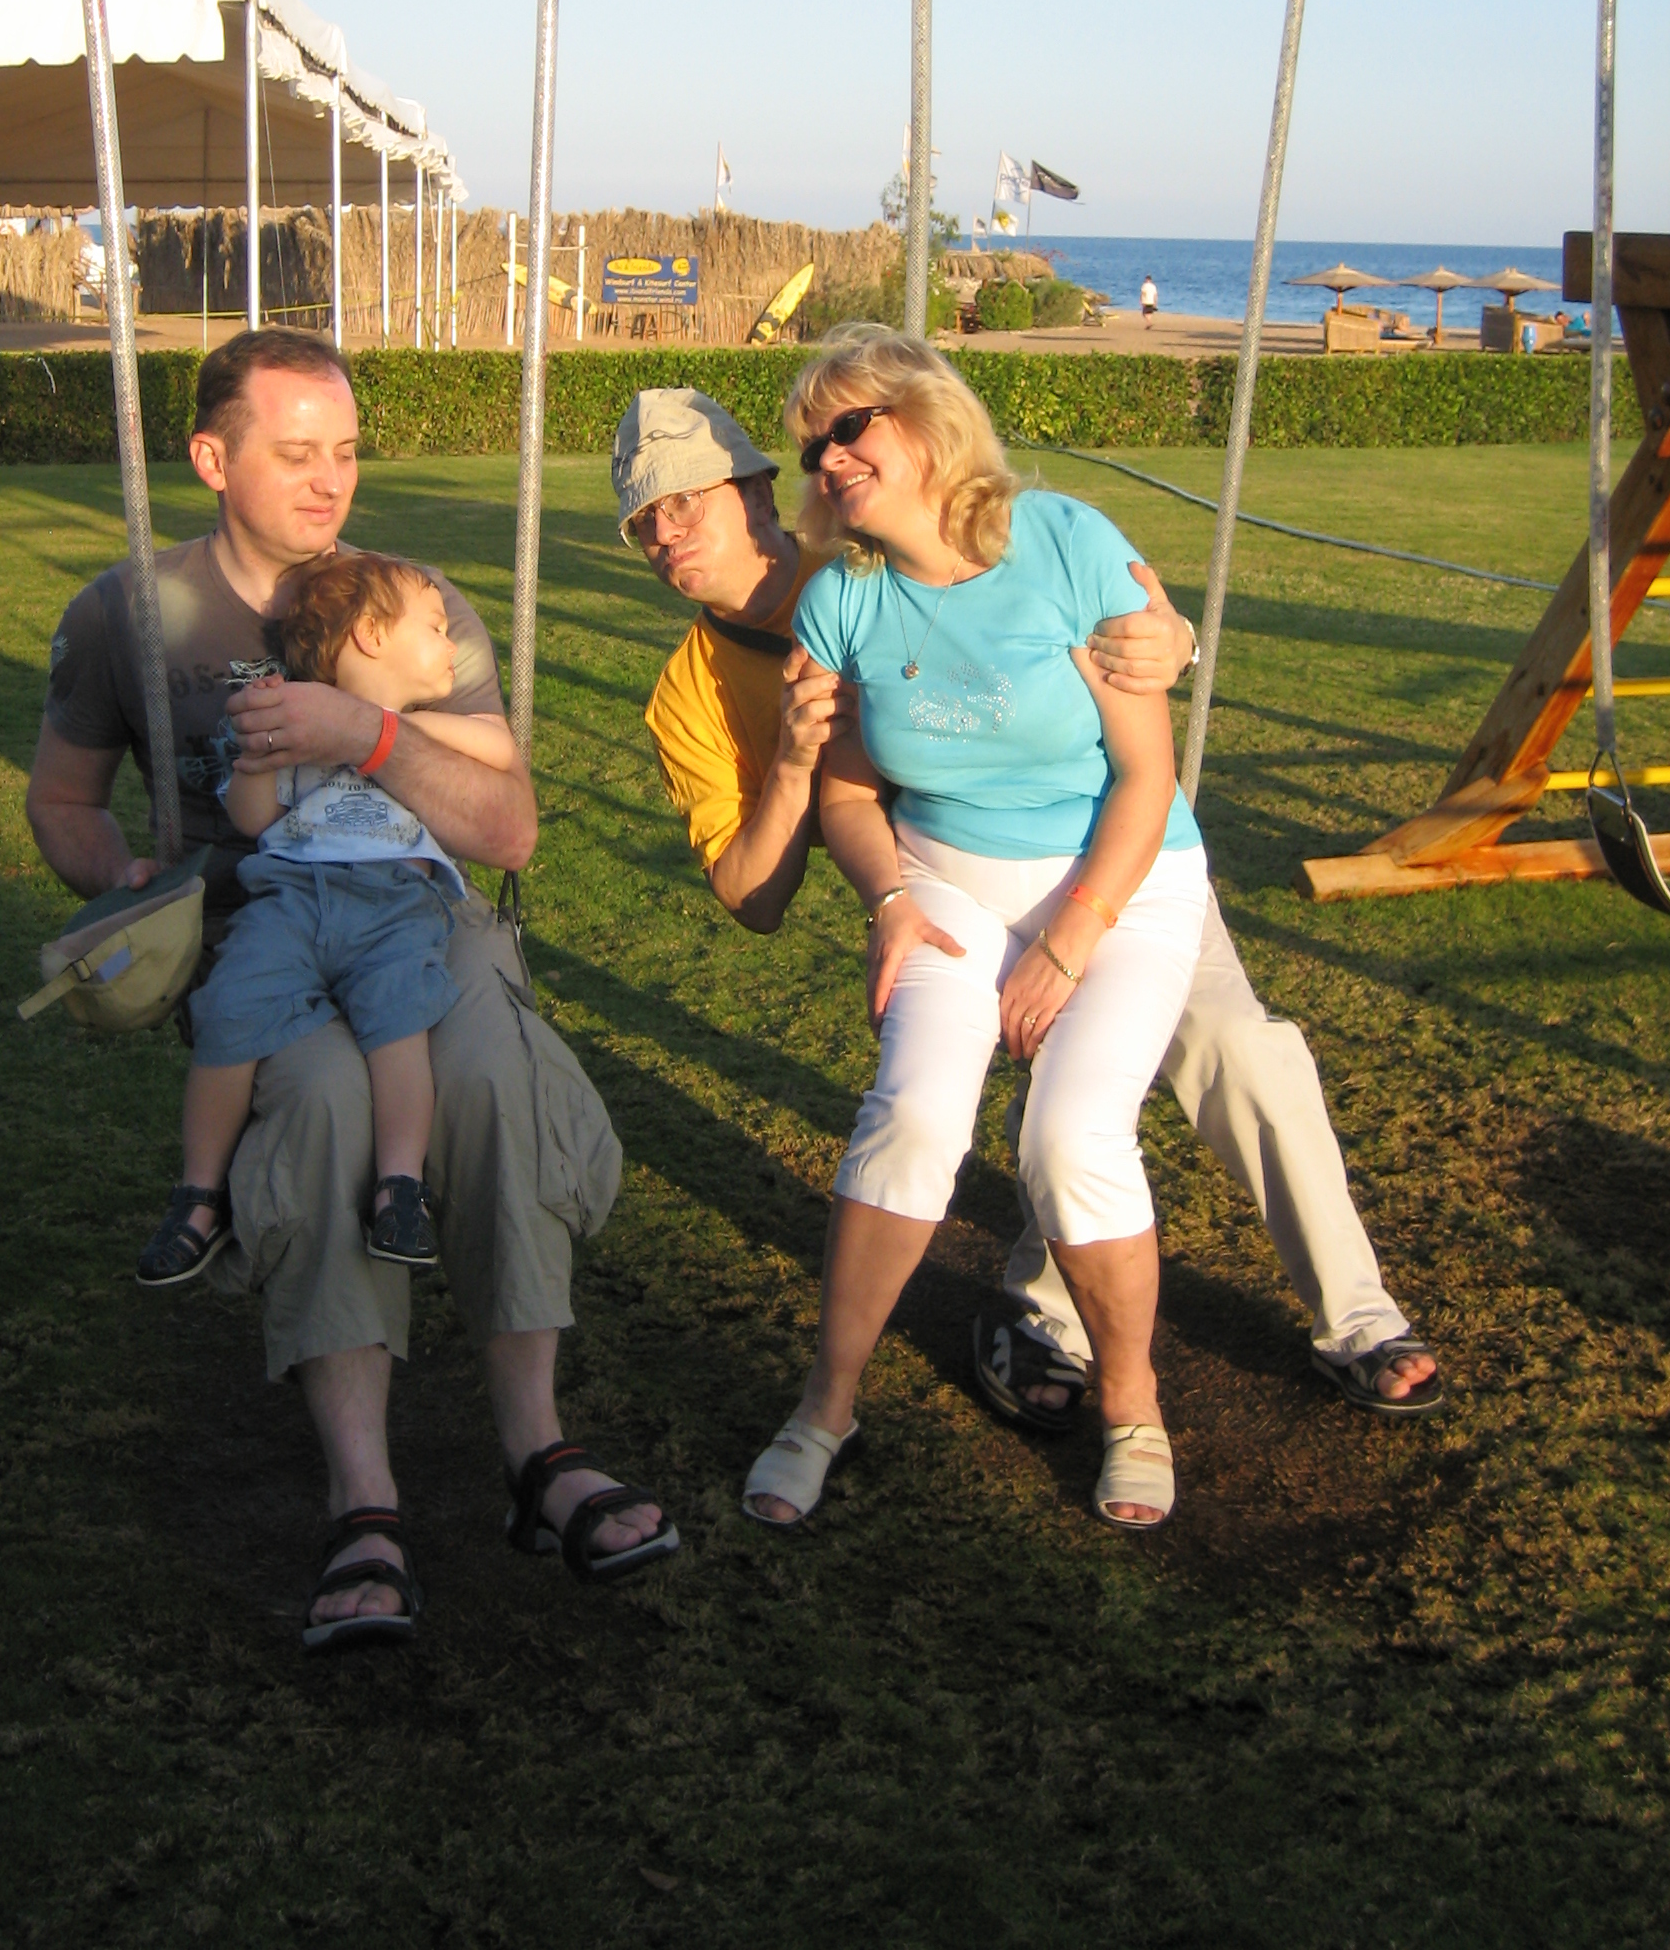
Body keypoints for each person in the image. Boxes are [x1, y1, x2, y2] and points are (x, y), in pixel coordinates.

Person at [613, 384, 1440, 1456]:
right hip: (939, 881)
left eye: (687, 499)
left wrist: (1173, 639)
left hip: (1105, 853)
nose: (666, 532)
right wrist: (795, 764)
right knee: (1018, 1105)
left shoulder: (863, 538)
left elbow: (1086, 603)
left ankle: (1357, 1315)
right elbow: (753, 898)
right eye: (644, 519)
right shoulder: (693, 690)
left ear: (761, 491)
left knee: (1239, 1049)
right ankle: (1044, 1314)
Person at [28, 327, 678, 1652]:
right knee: (324, 1103)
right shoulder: (128, 614)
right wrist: (123, 878)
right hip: (258, 934)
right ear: (213, 459)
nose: (331, 481)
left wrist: (367, 732)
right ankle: (363, 1497)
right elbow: (60, 801)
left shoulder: (409, 600)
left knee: (493, 1078)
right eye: (295, 453)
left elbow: (507, 829)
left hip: (422, 920)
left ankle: (538, 1451)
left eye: (346, 451)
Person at [741, 328, 1211, 1527]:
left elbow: (1147, 776)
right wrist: (890, 901)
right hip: (945, 881)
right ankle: (825, 1408)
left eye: (851, 425)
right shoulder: (841, 598)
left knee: (1072, 1136)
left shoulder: (1064, 543)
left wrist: (1068, 941)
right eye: (814, 442)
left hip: (1123, 881)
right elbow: (850, 794)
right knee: (912, 1117)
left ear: (928, 416)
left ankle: (1132, 1405)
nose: (828, 456)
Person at [135, 551, 485, 1290]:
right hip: (291, 900)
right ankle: (200, 1194)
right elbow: (252, 818)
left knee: (399, 1026)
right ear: (371, 636)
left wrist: (376, 731)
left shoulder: (427, 727)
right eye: (434, 626)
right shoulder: (297, 722)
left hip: (394, 907)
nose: (451, 641)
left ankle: (400, 1189)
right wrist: (259, 750)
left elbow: (498, 747)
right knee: (229, 1011)